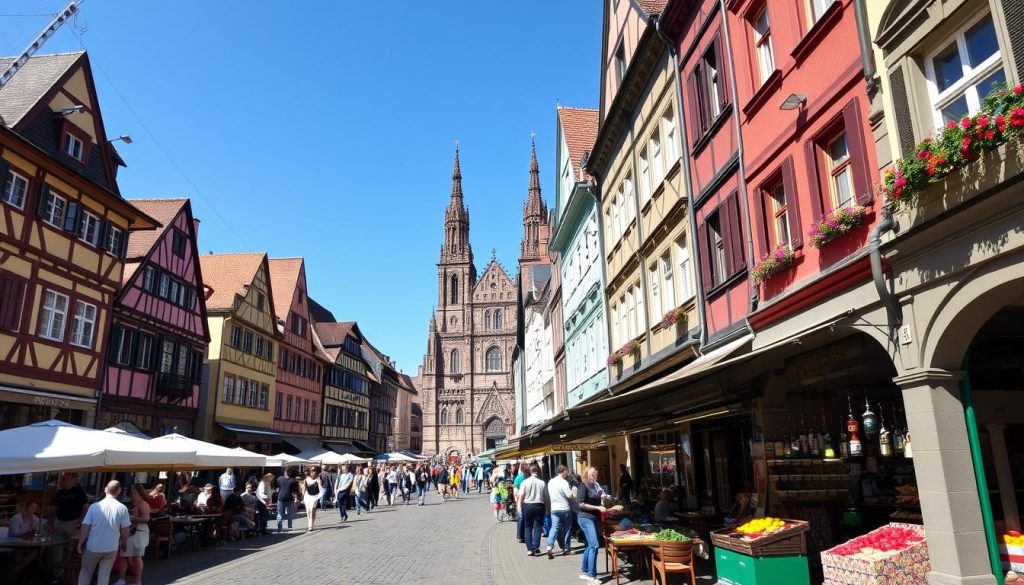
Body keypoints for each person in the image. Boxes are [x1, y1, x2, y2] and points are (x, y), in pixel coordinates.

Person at [76, 481, 131, 585]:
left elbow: (85, 526)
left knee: (86, 573)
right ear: (119, 491)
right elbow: (125, 529)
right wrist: (125, 542)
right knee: (104, 575)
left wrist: (80, 542)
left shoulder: (94, 507)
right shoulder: (123, 508)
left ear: (106, 489)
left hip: (93, 546)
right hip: (111, 547)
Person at [114, 484, 151, 585]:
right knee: (125, 556)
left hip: (138, 533)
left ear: (139, 493)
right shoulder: (136, 504)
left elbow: (146, 519)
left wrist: (131, 518)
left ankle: (136, 581)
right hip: (132, 533)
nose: (132, 494)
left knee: (136, 557)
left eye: (134, 492)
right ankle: (122, 579)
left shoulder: (143, 504)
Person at [576, 467, 607, 585]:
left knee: (589, 544)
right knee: (595, 545)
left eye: (595, 475)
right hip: (585, 518)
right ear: (586, 475)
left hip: (595, 518)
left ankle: (585, 569)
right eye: (592, 475)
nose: (594, 477)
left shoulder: (596, 486)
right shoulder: (582, 486)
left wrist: (602, 500)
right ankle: (591, 576)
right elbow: (581, 504)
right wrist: (597, 507)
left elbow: (599, 503)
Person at [50, 473, 88, 563]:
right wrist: (51, 522)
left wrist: (80, 519)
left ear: (72, 481)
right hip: (60, 521)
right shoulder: (59, 493)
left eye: (65, 481)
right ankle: (57, 571)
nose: (63, 483)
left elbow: (85, 506)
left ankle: (66, 569)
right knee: (57, 547)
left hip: (73, 522)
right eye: (62, 481)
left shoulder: (78, 491)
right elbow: (55, 508)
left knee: (70, 547)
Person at [4, 500, 41, 582]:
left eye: (35, 508)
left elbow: (38, 530)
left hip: (27, 543)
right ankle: (8, 572)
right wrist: (27, 530)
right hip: (14, 543)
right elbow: (13, 532)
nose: (33, 510)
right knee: (18, 557)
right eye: (32, 507)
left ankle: (14, 571)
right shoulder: (17, 518)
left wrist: (35, 530)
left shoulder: (35, 518)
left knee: (35, 551)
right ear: (26, 507)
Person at [545, 465, 575, 558]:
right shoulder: (563, 482)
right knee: (567, 528)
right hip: (564, 508)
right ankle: (566, 549)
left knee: (554, 528)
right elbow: (569, 495)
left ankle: (549, 547)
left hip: (554, 509)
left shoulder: (551, 482)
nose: (568, 473)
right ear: (562, 471)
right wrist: (576, 499)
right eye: (567, 471)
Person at [517, 464, 546, 556]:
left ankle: (530, 549)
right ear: (538, 471)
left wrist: (519, 508)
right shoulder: (542, 483)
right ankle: (536, 547)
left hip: (528, 506)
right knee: (538, 528)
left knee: (528, 527)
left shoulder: (525, 482)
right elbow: (545, 497)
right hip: (539, 506)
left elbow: (521, 496)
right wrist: (548, 508)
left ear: (530, 471)